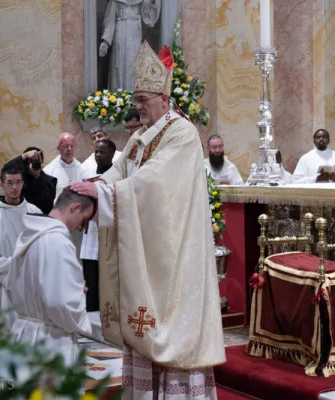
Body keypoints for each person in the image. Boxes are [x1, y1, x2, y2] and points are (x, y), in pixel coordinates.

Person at [71, 41, 224, 399]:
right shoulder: (140, 138)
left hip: (173, 257)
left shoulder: (181, 133)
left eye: (144, 99)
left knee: (170, 329)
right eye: (136, 98)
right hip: (148, 254)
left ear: (165, 100)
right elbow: (120, 173)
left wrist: (107, 195)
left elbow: (154, 182)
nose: (137, 105)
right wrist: (93, 189)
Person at [8, 188, 95, 366]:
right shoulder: (58, 242)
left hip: (23, 333)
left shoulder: (28, 234)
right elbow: (59, 302)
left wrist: (71, 287)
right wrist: (76, 294)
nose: (80, 227)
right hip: (50, 342)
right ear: (75, 208)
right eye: (84, 220)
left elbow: (13, 283)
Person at [0, 167, 42, 329]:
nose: (14, 187)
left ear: (23, 184)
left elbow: (44, 247)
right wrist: (13, 268)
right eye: (10, 183)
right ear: (1, 184)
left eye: (18, 182)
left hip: (29, 283)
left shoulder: (34, 212)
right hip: (1, 286)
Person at [81, 139, 116, 312]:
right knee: (91, 277)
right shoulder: (87, 173)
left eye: (103, 152)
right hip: (90, 234)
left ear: (112, 154)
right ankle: (91, 312)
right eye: (96, 151)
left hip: (108, 233)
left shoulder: (117, 176)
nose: (98, 155)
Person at [99, 0, 161, 90]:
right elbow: (110, 20)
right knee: (119, 66)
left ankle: (134, 96)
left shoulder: (141, 1)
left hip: (135, 33)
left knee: (134, 64)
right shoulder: (115, 1)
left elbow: (149, 18)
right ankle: (119, 97)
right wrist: (105, 41)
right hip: (120, 33)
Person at [3, 146, 57, 214]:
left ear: (41, 162)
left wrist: (37, 176)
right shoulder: (19, 181)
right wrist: (24, 156)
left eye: (35, 161)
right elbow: (5, 170)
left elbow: (46, 205)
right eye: (29, 161)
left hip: (42, 221)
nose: (32, 164)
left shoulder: (51, 181)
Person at [43, 133, 84, 200]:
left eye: (72, 146)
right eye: (65, 146)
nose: (69, 149)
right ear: (58, 148)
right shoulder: (49, 171)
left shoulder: (82, 168)